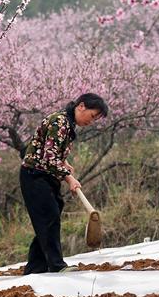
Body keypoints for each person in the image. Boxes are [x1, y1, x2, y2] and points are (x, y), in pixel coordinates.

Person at [19, 93, 108, 274]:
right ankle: (57, 265)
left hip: (46, 175)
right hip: (35, 175)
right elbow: (49, 156)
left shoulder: (67, 124)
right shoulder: (59, 122)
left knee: (48, 219)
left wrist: (64, 162)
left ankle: (35, 268)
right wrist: (69, 178)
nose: (91, 122)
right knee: (49, 217)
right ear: (81, 106)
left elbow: (47, 149)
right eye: (92, 116)